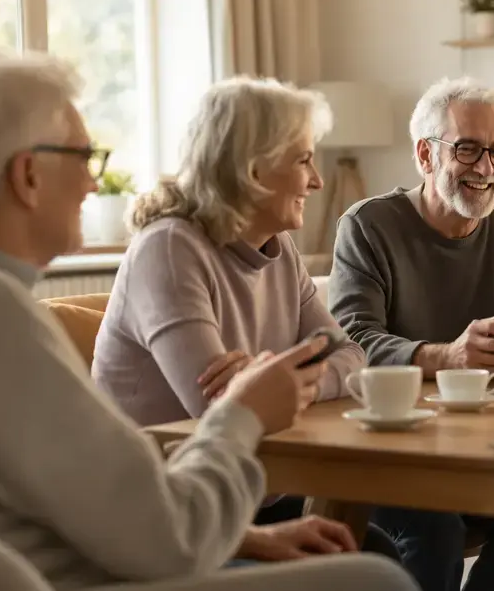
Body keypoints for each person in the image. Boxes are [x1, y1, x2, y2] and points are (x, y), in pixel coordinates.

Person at [0, 51, 416, 590]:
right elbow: (170, 536)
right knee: (376, 580)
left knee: (367, 551)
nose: (95, 185)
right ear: (28, 176)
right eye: (86, 157)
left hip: (107, 550)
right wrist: (243, 412)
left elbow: (80, 508)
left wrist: (247, 537)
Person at [89, 75, 397, 560]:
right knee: (369, 562)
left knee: (376, 548)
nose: (317, 180)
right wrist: (268, 388)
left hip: (248, 491)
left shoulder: (281, 249)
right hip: (165, 515)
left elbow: (352, 356)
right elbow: (220, 409)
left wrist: (287, 385)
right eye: (303, 160)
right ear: (254, 172)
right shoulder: (170, 249)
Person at [328, 76, 494, 591]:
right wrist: (446, 356)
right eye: (467, 149)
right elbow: (352, 339)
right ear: (425, 155)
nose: (486, 169)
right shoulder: (368, 226)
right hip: (391, 450)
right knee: (434, 528)